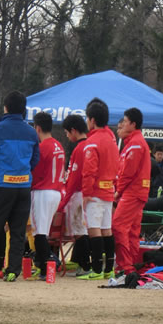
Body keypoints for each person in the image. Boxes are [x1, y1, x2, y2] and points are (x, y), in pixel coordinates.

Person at [0, 91, 40, 282]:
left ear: (5, 108)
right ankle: (13, 271)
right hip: (23, 187)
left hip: (2, 186)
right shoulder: (31, 132)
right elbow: (35, 160)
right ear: (24, 109)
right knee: (18, 231)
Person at [77, 98, 119, 280]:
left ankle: (96, 270)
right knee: (106, 229)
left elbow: (89, 171)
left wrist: (86, 193)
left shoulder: (92, 142)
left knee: (94, 230)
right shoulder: (112, 140)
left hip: (95, 192)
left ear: (92, 120)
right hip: (108, 190)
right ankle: (109, 268)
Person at [112, 107, 152, 275]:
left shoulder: (135, 144)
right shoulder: (133, 143)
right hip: (136, 191)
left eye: (125, 121)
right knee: (132, 230)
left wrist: (118, 191)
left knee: (118, 226)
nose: (122, 124)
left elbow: (128, 172)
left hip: (132, 192)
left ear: (133, 124)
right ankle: (133, 264)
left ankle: (125, 266)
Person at [29, 111, 66, 279]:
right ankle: (47, 263)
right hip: (56, 191)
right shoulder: (59, 145)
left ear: (37, 128)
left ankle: (46, 266)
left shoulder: (42, 147)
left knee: (39, 232)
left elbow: (35, 172)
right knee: (43, 231)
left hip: (42, 191)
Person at [60, 113, 90, 275]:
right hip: (87, 192)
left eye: (66, 132)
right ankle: (78, 260)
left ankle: (84, 265)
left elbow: (74, 177)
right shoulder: (90, 144)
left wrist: (65, 200)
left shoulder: (79, 148)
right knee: (83, 230)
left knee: (79, 231)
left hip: (78, 193)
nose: (66, 136)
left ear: (73, 130)